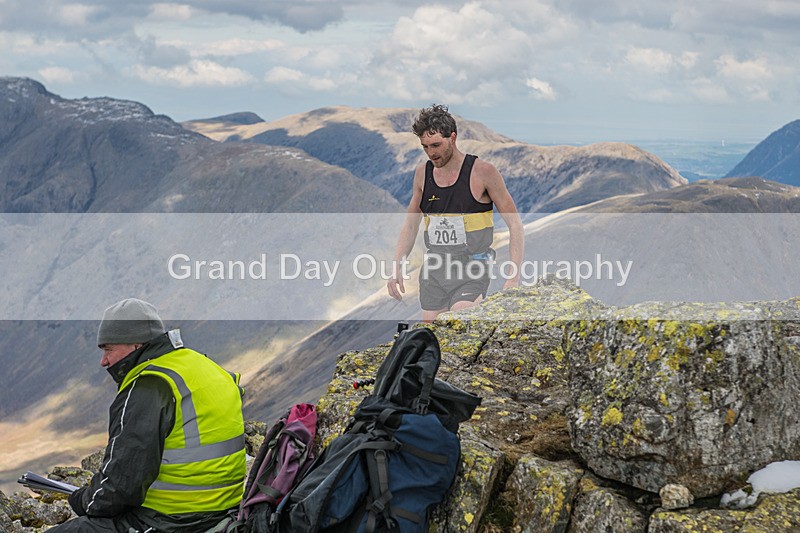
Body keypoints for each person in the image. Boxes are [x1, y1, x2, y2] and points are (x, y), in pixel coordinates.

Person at [51, 298, 246, 533]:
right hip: (228, 510)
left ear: (136, 345)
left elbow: (120, 487)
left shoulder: (149, 386)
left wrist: (82, 500)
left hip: (175, 520)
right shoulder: (205, 366)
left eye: (108, 349)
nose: (103, 361)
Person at [387, 104, 524, 321]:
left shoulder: (483, 172)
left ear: (452, 137)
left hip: (472, 269)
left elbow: (515, 224)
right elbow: (411, 225)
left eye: (436, 145)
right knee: (430, 333)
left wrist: (513, 277)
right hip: (435, 270)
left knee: (457, 320)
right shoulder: (422, 174)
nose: (431, 153)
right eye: (425, 147)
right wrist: (397, 266)